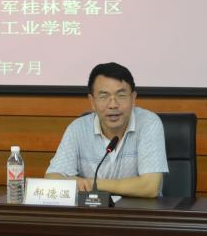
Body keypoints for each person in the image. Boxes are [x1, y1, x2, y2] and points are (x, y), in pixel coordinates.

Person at [45, 62, 167, 197]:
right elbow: (52, 177)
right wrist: (69, 182)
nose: (113, 105)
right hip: (93, 209)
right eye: (104, 96)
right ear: (92, 101)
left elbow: (150, 187)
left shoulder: (148, 124)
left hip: (139, 210)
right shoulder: (78, 129)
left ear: (133, 98)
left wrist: (91, 184)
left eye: (121, 95)